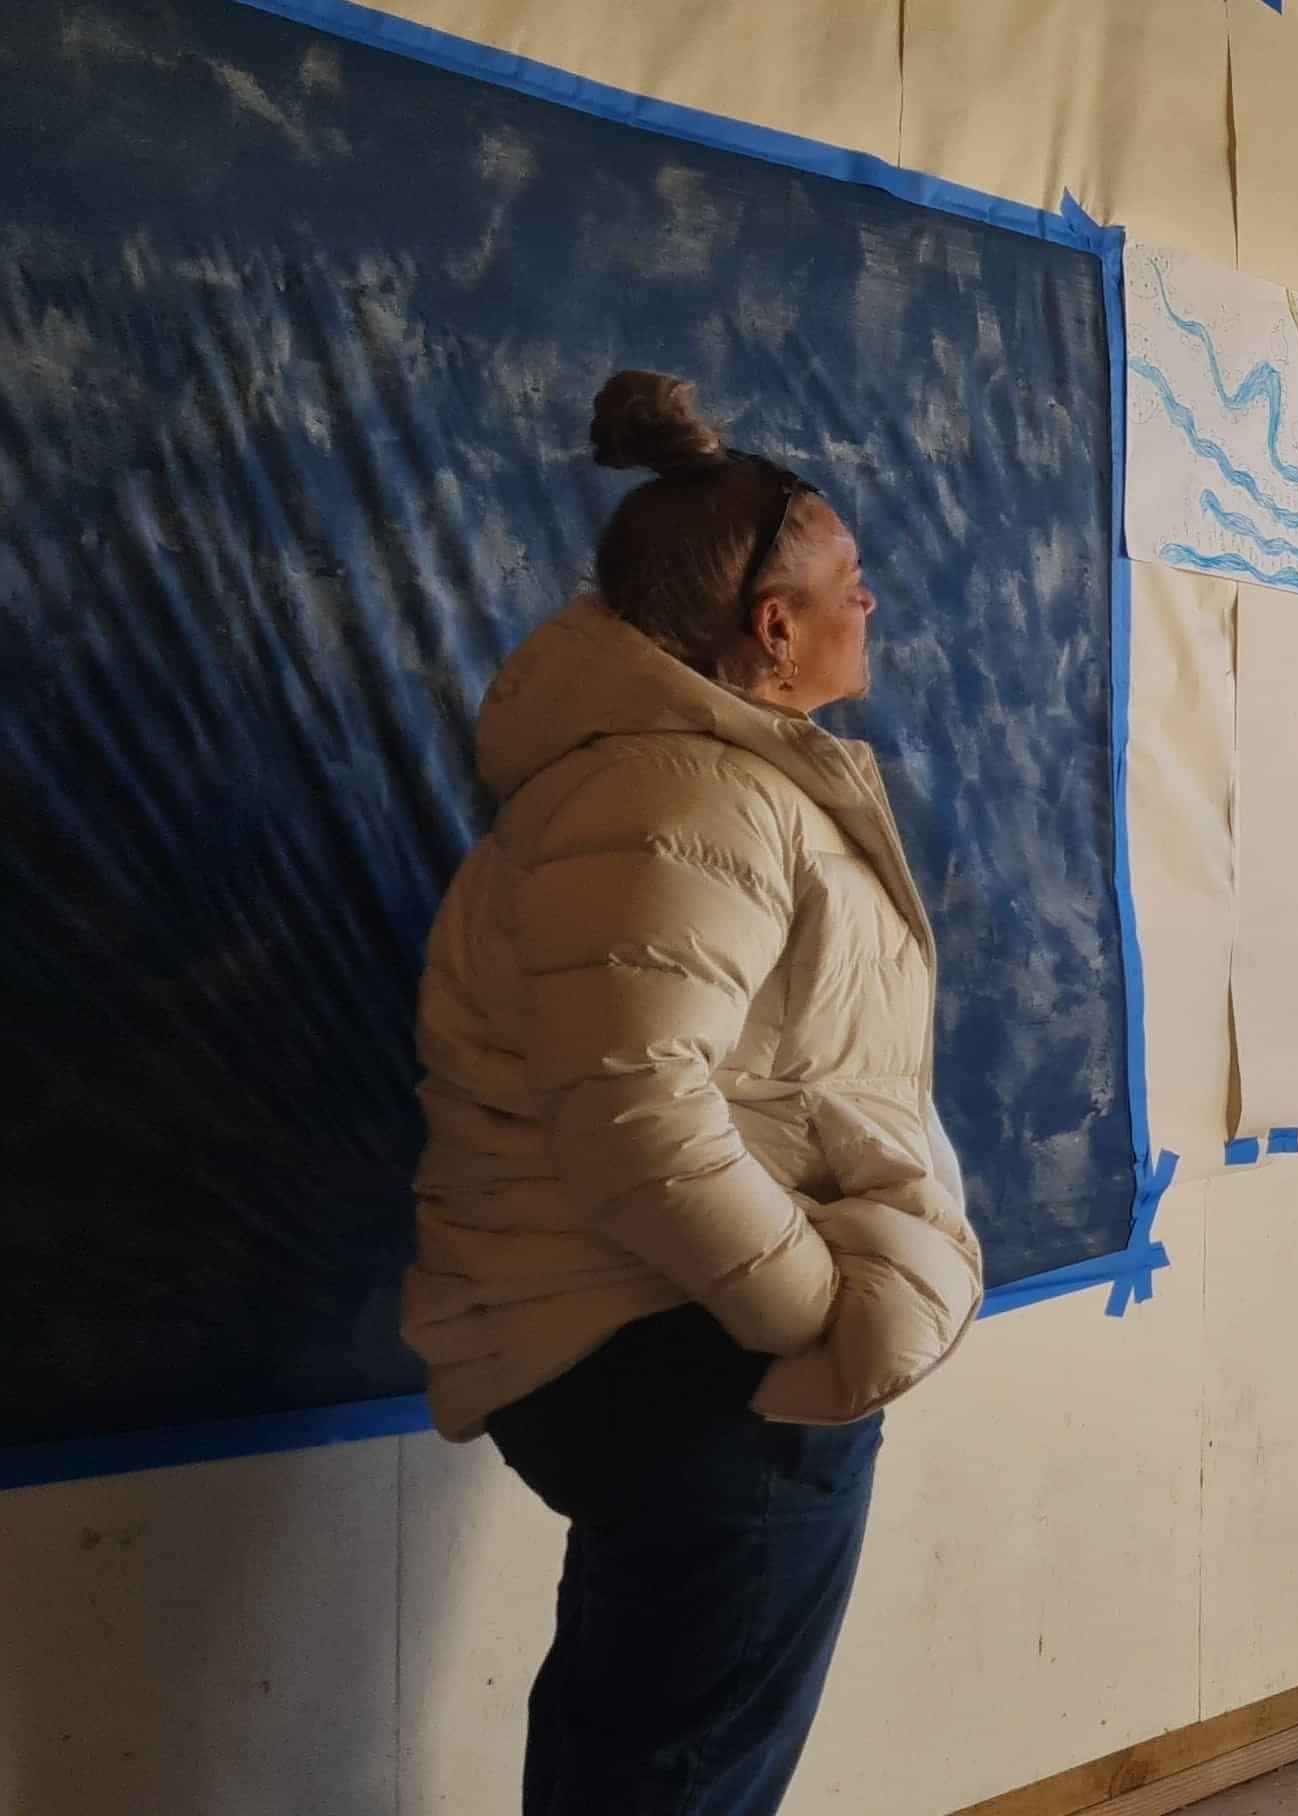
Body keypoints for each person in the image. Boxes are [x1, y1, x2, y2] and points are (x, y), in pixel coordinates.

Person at [406, 371, 984, 1814]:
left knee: (640, 1757)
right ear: (773, 626)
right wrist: (811, 1324)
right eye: (851, 581)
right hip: (694, 1351)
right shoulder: (681, 796)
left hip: (675, 1341)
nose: (874, 600)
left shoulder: (708, 784)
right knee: (679, 1780)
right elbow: (633, 1115)